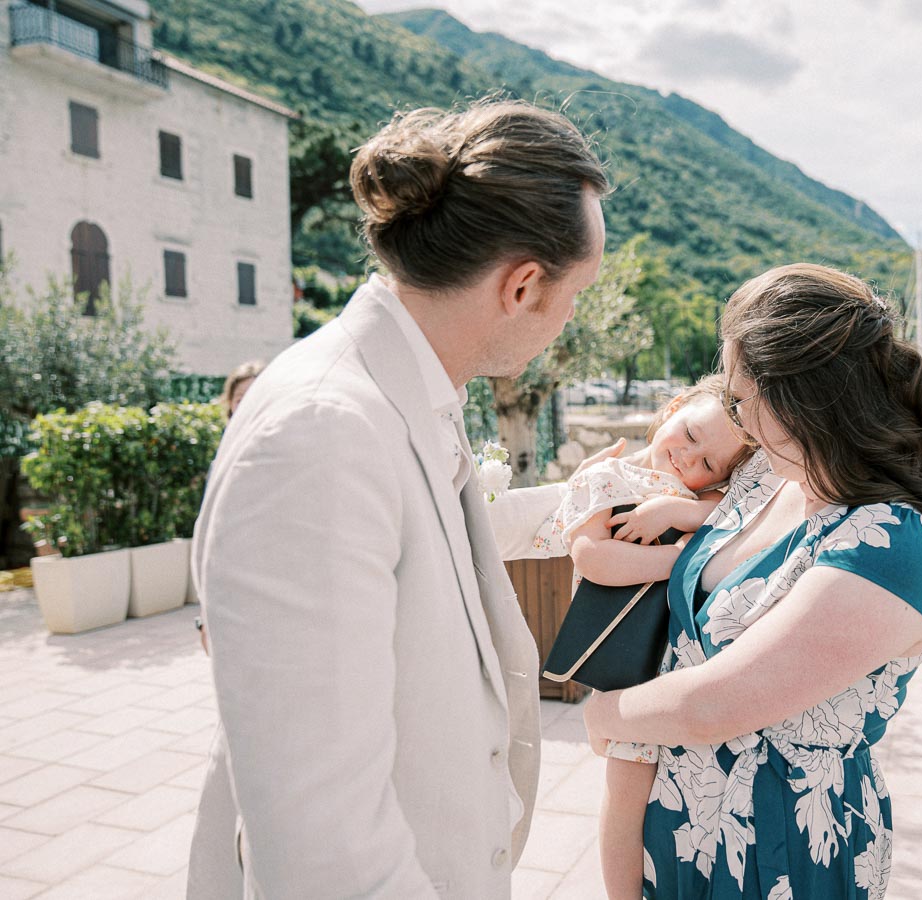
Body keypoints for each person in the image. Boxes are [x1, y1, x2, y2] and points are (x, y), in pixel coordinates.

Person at [186, 99, 609, 899]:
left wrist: (592, 492)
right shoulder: (324, 433)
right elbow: (323, 845)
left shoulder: (397, 392)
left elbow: (450, 542)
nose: (573, 314)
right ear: (523, 286)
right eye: (577, 291)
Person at [583, 263, 922, 899]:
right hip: (677, 826)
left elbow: (713, 704)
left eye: (742, 401)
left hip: (782, 850)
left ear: (802, 399)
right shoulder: (765, 480)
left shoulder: (889, 543)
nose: (735, 422)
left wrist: (605, 714)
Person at [532, 374, 755, 900]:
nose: (689, 462)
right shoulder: (605, 478)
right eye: (692, 436)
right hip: (628, 665)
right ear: (673, 407)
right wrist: (687, 560)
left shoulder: (704, 497)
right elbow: (594, 559)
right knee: (627, 793)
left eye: (708, 465)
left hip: (685, 670)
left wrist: (681, 510)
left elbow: (746, 524)